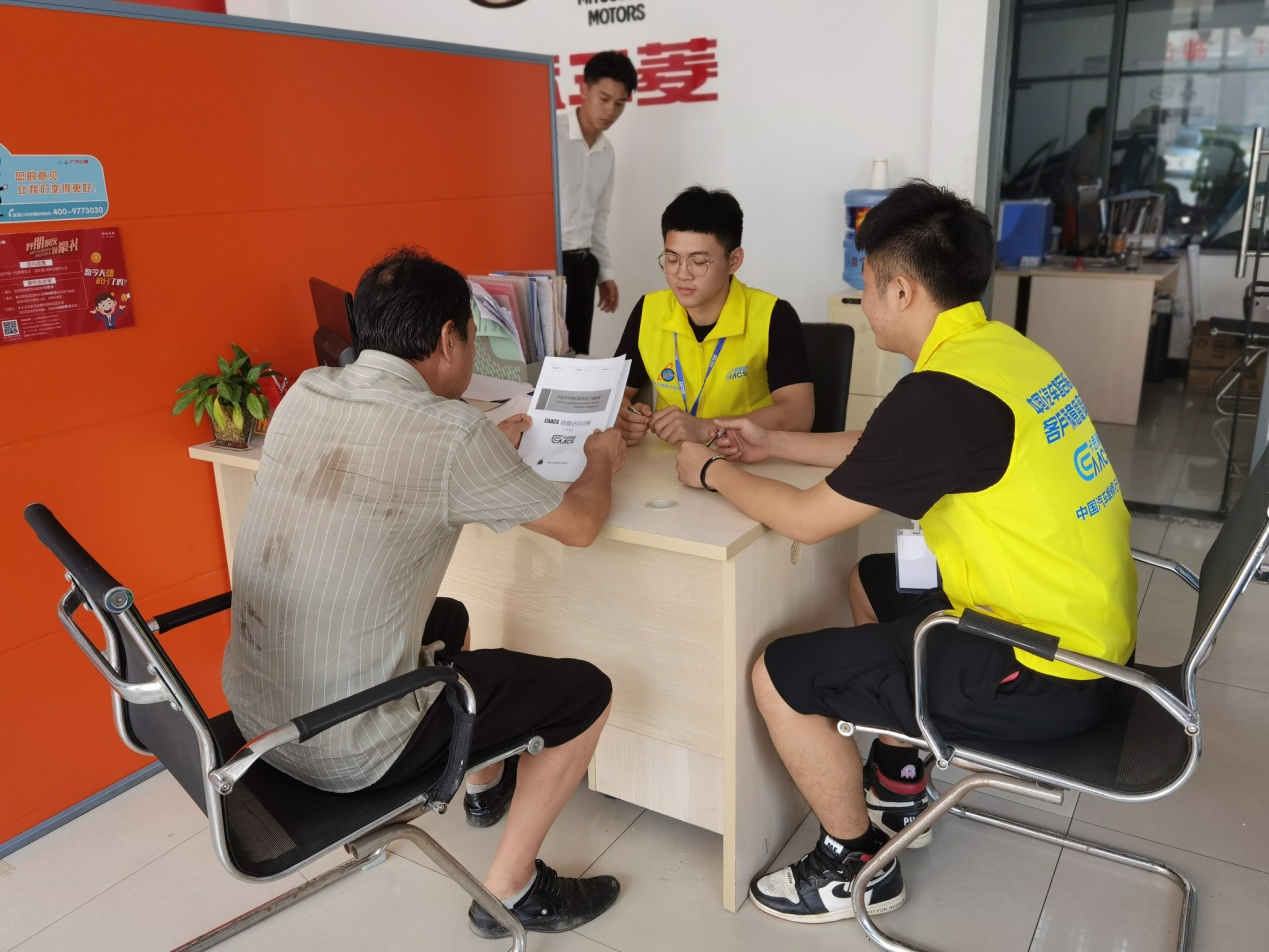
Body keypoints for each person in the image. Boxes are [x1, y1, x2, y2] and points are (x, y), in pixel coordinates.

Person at [673, 181, 1136, 923]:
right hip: (1085, 635)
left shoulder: (943, 394)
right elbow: (884, 445)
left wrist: (710, 471)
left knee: (779, 675)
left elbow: (806, 520)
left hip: (1043, 671)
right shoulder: (998, 352)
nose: (862, 298)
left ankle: (851, 863)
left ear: (900, 289)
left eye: (866, 282)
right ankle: (896, 777)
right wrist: (771, 443)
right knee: (871, 579)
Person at [222, 248, 629, 940]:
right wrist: (600, 460)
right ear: (448, 338)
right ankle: (513, 889)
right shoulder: (452, 435)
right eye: (471, 335)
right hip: (346, 750)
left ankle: (482, 788)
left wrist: (483, 448)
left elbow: (384, 457)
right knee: (583, 693)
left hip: (255, 723)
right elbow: (581, 526)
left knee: (449, 617)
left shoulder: (309, 390)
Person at [614, 186, 814, 446]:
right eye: (672, 259)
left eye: (698, 262)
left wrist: (706, 428)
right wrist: (624, 416)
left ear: (734, 261)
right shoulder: (648, 310)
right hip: (669, 460)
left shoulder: (773, 316)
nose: (682, 274)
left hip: (748, 459)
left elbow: (799, 415)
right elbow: (614, 394)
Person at [557, 50, 638, 355]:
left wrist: (605, 273)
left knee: (578, 355)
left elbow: (599, 218)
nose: (610, 111)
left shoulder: (607, 152)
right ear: (584, 89)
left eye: (619, 103)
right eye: (604, 98)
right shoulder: (551, 135)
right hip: (547, 268)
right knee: (545, 358)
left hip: (584, 267)